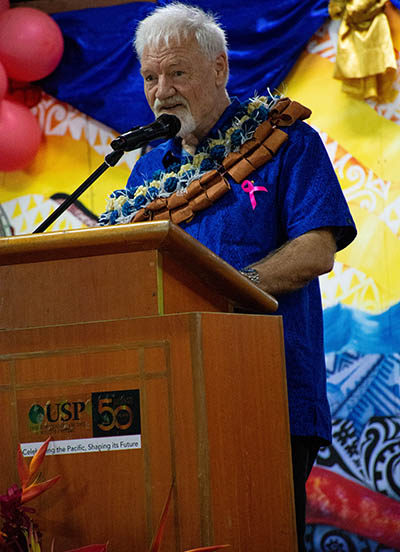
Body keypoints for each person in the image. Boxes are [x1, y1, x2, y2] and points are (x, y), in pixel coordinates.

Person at [99, 3, 357, 550]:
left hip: (268, 390)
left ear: (219, 68)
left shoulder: (286, 142)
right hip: (169, 390)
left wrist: (226, 285)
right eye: (150, 76)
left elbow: (316, 249)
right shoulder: (148, 167)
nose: (161, 90)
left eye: (177, 72)